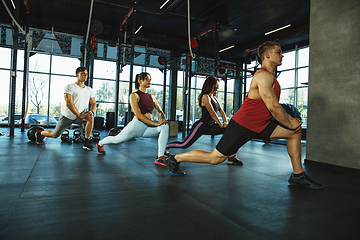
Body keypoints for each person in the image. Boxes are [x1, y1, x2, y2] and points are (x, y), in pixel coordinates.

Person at [163, 41, 323, 189]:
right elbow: (273, 107)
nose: (282, 55)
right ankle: (174, 159)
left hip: (262, 124)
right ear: (267, 55)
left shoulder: (271, 77)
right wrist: (289, 122)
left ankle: (297, 175)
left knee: (295, 132)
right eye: (279, 52)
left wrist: (290, 121)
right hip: (242, 125)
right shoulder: (262, 76)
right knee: (215, 158)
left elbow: (275, 106)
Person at [166, 76, 243, 166]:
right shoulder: (205, 97)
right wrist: (220, 125)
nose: (218, 87)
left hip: (211, 126)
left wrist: (225, 123)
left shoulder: (214, 97)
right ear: (211, 85)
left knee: (231, 130)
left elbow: (221, 111)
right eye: (217, 85)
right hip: (201, 126)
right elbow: (212, 113)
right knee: (184, 144)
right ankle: (166, 147)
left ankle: (231, 157)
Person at [96, 72, 169, 164]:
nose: (149, 80)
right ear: (139, 81)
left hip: (146, 128)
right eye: (146, 78)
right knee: (116, 139)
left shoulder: (151, 97)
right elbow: (138, 115)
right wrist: (156, 123)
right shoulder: (134, 95)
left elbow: (159, 110)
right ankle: (100, 144)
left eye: (150, 79)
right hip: (136, 126)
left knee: (165, 126)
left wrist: (163, 118)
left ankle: (160, 156)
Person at [35, 67, 96, 150]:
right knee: (55, 135)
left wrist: (92, 111)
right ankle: (40, 134)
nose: (85, 75)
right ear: (77, 75)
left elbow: (93, 103)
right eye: (82, 73)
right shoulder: (70, 87)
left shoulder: (89, 90)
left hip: (80, 116)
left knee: (90, 117)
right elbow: (69, 103)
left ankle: (86, 142)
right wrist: (79, 115)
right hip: (67, 116)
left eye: (86, 73)